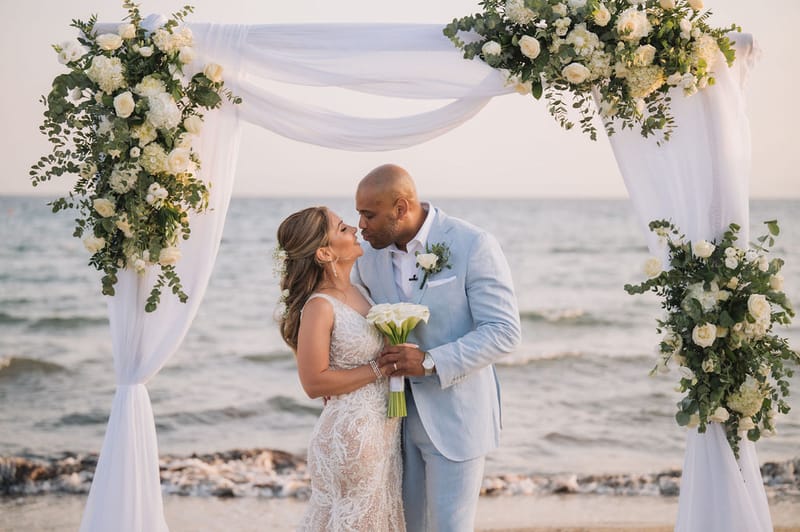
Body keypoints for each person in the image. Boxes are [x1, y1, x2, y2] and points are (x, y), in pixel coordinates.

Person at [353, 164, 522, 531]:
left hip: (456, 418)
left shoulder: (472, 244)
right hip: (391, 424)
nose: (360, 226)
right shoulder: (366, 259)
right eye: (358, 215)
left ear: (400, 208)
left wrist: (430, 361)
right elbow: (355, 322)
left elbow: (504, 331)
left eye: (368, 215)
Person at [275, 206, 405, 532]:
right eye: (344, 228)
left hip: (380, 430)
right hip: (351, 438)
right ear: (324, 252)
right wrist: (379, 367)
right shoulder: (320, 305)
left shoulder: (359, 290)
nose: (355, 230)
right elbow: (314, 382)